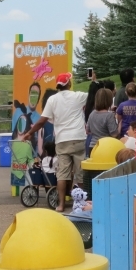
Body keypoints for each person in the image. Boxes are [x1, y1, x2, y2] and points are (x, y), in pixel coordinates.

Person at [22, 72, 87, 212]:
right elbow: (92, 97)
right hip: (78, 138)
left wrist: (29, 133)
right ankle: (82, 204)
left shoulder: (52, 100)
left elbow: (41, 121)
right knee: (80, 173)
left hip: (62, 140)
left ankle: (61, 205)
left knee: (62, 174)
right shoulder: (78, 96)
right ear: (69, 83)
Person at [86, 88, 119, 155]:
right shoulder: (109, 115)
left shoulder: (92, 113)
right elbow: (114, 134)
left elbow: (88, 131)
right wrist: (120, 122)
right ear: (109, 101)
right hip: (105, 148)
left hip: (93, 147)